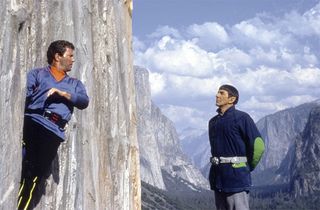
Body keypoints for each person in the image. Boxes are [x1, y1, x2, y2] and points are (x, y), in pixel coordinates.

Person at [18, 40, 89, 210]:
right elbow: (24, 94)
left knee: (35, 176)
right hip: (33, 122)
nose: (73, 60)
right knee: (21, 163)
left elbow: (84, 101)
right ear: (58, 56)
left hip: (52, 131)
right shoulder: (38, 74)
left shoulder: (75, 85)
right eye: (70, 56)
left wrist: (63, 93)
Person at [208, 84, 265, 210]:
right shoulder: (213, 122)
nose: (217, 95)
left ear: (232, 99)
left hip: (236, 179)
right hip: (218, 178)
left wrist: (246, 166)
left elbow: (258, 145)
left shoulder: (242, 118)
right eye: (217, 92)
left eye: (222, 93)